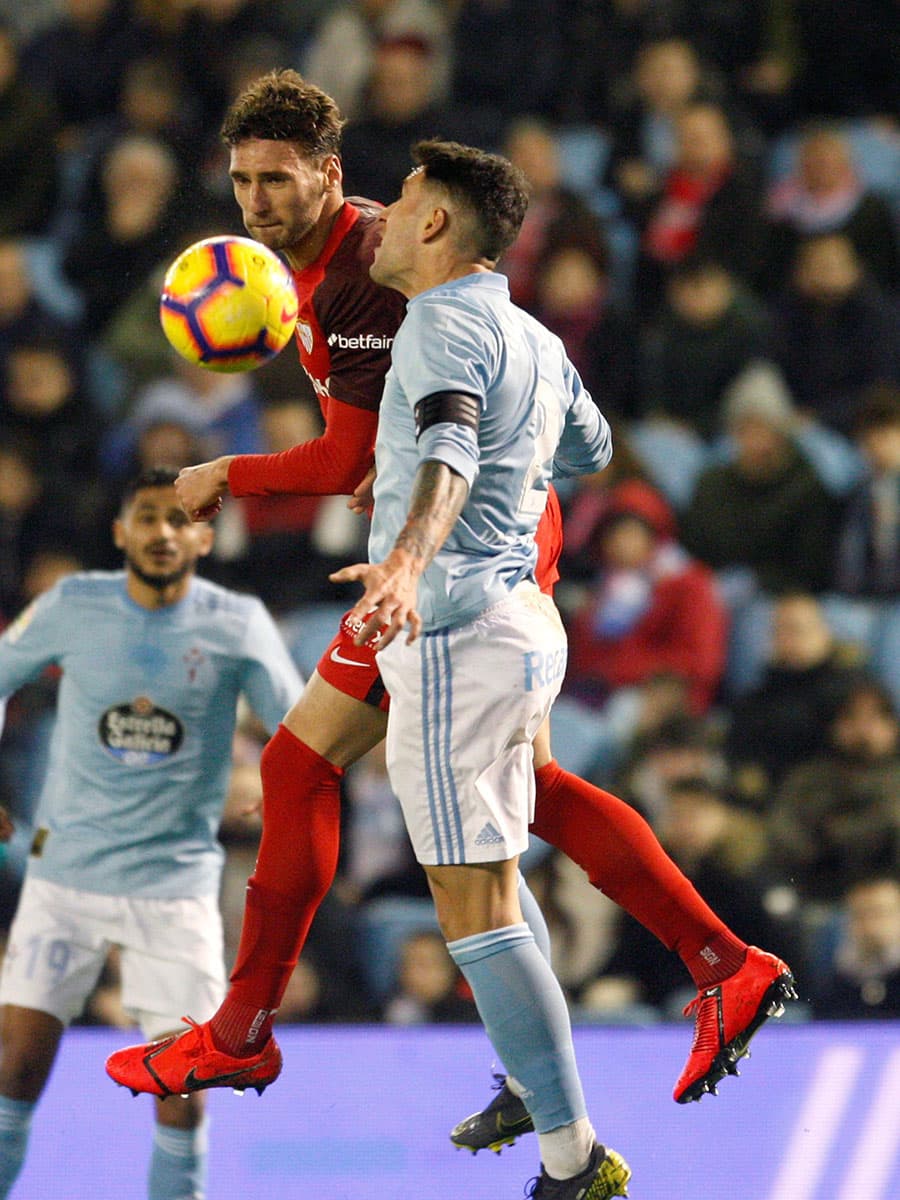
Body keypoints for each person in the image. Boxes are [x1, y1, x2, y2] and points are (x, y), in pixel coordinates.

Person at [105, 71, 794, 1139]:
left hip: (450, 571)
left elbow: (356, 457)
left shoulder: (367, 280)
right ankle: (702, 973)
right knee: (518, 791)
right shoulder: (329, 270)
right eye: (241, 182)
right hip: (483, 550)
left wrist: (225, 475)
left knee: (341, 785)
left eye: (277, 180)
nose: (255, 202)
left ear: (329, 174)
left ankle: (254, 1032)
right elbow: (514, 439)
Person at [330, 138, 629, 1198]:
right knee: (489, 881)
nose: (379, 217)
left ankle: (572, 1159)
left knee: (471, 904)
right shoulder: (533, 334)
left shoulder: (437, 323)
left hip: (457, 632)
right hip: (520, 623)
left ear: (437, 224)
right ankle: (529, 1077)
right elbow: (591, 450)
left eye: (402, 199)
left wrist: (407, 560)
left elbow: (452, 444)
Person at [0, 467, 302, 1200]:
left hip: (174, 890)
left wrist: (280, 786)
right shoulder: (74, 603)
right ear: (120, 533)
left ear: (204, 537)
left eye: (179, 519)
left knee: (184, 1093)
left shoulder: (236, 623)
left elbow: (299, 728)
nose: (163, 533)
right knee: (14, 1072)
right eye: (147, 517)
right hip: (64, 875)